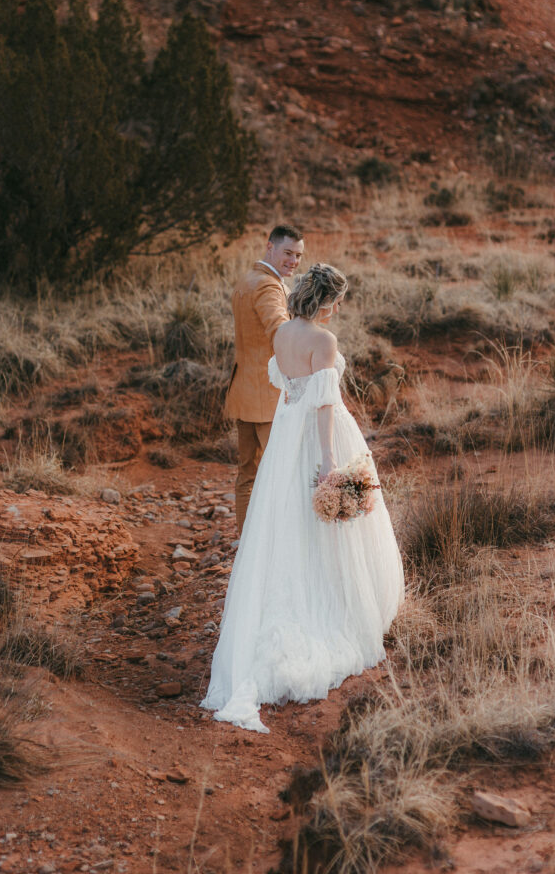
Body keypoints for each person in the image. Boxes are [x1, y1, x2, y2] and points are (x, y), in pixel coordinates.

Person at [201, 263, 405, 733]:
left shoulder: (284, 334)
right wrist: (330, 463)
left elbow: (288, 393)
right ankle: (330, 611)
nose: (338, 310)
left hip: (285, 439)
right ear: (328, 301)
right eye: (338, 302)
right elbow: (325, 406)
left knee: (287, 526)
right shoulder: (323, 341)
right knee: (325, 526)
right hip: (315, 437)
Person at [224, 224, 305, 534]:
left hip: (243, 390)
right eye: (288, 253)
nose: (294, 261)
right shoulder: (269, 287)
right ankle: (272, 544)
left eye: (298, 255)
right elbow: (281, 332)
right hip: (268, 397)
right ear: (270, 247)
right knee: (279, 475)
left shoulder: (247, 279)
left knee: (247, 474)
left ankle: (247, 543)